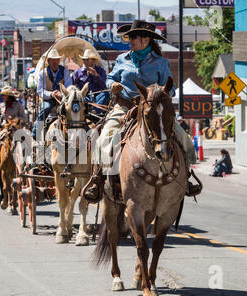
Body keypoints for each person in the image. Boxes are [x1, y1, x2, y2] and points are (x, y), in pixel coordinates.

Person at [82, 20, 200, 203]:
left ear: (146, 39)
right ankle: (98, 180)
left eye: (134, 37)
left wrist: (160, 93)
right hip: (125, 107)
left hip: (152, 110)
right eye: (129, 36)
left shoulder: (161, 62)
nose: (130, 40)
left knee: (183, 138)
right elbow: (110, 78)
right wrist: (112, 84)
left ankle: (187, 177)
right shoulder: (122, 59)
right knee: (104, 137)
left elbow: (172, 89)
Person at [32, 49, 72, 139]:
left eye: (56, 59)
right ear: (48, 61)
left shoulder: (65, 71)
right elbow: (40, 91)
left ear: (59, 60)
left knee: (74, 108)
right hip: (48, 99)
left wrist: (61, 93)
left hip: (63, 98)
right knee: (45, 108)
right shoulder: (43, 73)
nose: (55, 62)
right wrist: (51, 94)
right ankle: (36, 132)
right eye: (52, 60)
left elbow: (69, 86)